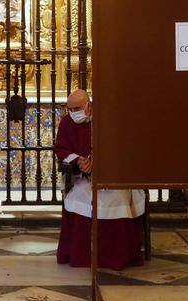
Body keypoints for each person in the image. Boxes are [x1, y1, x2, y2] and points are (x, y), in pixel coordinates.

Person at [55, 89, 145, 270]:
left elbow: (120, 149)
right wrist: (78, 160)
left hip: (114, 177)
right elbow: (61, 149)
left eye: (77, 108)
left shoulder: (107, 120)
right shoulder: (66, 122)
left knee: (118, 198)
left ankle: (115, 257)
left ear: (89, 105)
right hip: (84, 179)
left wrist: (96, 163)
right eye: (69, 109)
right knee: (79, 197)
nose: (73, 113)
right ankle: (83, 256)